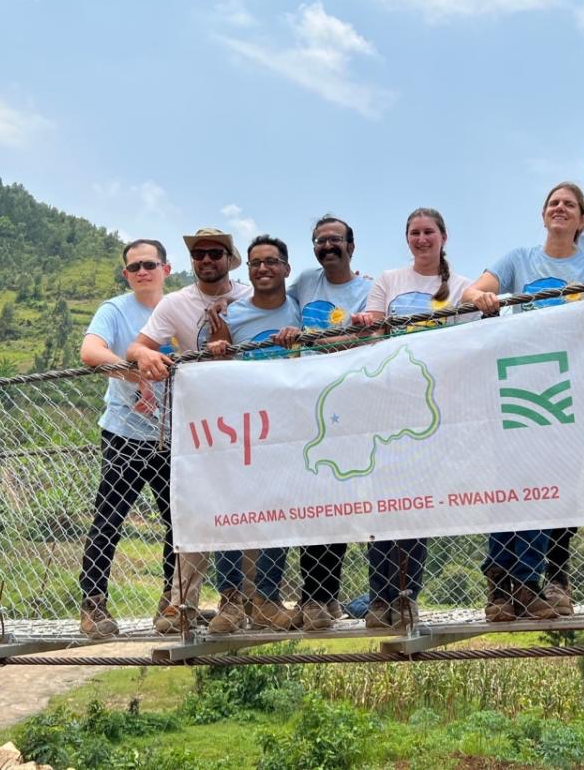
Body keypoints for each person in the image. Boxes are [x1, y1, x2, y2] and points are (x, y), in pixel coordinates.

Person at [463, 182, 584, 621]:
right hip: (520, 381)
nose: (560, 209)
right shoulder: (518, 259)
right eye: (553, 204)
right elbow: (469, 293)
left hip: (570, 386)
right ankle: (506, 585)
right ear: (543, 215)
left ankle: (519, 580)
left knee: (552, 484)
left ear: (583, 219)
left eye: (570, 205)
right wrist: (485, 297)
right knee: (512, 482)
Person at [125, 227, 251, 633]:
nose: (207, 260)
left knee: (243, 509)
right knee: (194, 510)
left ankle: (239, 602)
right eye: (200, 255)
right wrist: (147, 355)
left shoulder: (249, 297)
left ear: (229, 259)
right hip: (196, 424)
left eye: (215, 253)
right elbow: (137, 347)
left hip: (248, 421)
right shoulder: (176, 303)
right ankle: (182, 604)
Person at [351, 208, 472, 628]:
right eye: (414, 233)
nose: (422, 239)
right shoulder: (388, 280)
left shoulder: (461, 287)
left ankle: (404, 597)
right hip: (386, 403)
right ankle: (378, 599)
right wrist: (367, 323)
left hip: (431, 407)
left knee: (414, 506)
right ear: (407, 239)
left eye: (428, 232)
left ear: (443, 237)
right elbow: (374, 333)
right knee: (381, 503)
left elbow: (470, 341)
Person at [198, 235, 302, 633]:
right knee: (232, 511)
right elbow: (211, 365)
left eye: (272, 262)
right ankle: (230, 602)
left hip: (287, 428)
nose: (263, 269)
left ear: (286, 269)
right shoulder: (232, 315)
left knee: (276, 512)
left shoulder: (300, 307)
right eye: (256, 263)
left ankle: (266, 600)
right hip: (239, 427)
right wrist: (217, 346)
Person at [278, 216, 374, 630]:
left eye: (335, 240)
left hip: (352, 405)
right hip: (308, 405)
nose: (328, 246)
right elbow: (272, 302)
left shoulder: (369, 290)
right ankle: (319, 599)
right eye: (320, 241)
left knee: (344, 502)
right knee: (311, 504)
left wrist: (311, 339)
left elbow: (369, 339)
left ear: (352, 246)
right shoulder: (302, 283)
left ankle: (326, 598)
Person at [77, 239, 175, 639]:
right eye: (134, 267)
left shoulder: (179, 308)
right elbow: (90, 351)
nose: (142, 272)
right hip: (125, 432)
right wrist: (132, 372)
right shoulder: (115, 310)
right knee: (109, 519)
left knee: (178, 522)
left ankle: (173, 605)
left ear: (166, 269)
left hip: (175, 433)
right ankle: (93, 607)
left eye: (149, 264)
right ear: (126, 274)